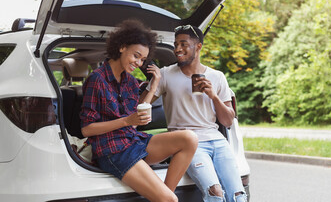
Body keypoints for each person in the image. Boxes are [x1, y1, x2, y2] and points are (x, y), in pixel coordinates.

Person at [80, 20, 198, 202]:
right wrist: (127, 121)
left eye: (143, 59)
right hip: (112, 150)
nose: (138, 62)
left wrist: (153, 87)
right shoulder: (97, 79)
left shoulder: (130, 81)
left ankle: (163, 197)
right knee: (170, 200)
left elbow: (139, 110)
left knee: (189, 138)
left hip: (134, 142)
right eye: (136, 56)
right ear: (121, 47)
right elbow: (87, 129)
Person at [142, 25, 247, 202]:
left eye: (183, 44)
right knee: (215, 193)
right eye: (175, 44)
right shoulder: (166, 74)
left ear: (198, 46)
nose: (177, 49)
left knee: (238, 196)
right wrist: (154, 82)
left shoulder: (217, 76)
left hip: (218, 142)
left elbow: (228, 121)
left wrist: (214, 97)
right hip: (190, 143)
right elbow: (140, 107)